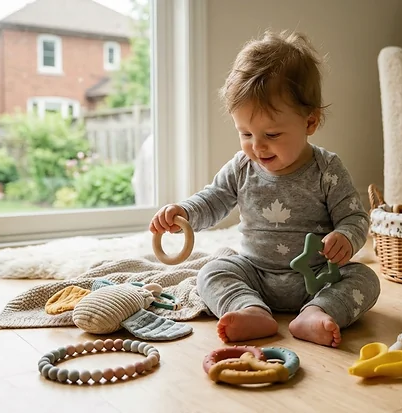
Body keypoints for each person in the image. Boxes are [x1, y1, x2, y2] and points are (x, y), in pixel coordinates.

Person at [149, 30, 380, 348]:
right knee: (211, 272)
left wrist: (345, 238)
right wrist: (184, 212)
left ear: (309, 123)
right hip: (255, 273)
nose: (257, 147)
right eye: (245, 133)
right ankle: (249, 309)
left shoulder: (326, 169)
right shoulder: (241, 167)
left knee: (366, 279)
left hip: (316, 276)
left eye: (271, 134)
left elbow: (354, 217)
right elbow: (214, 199)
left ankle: (317, 312)